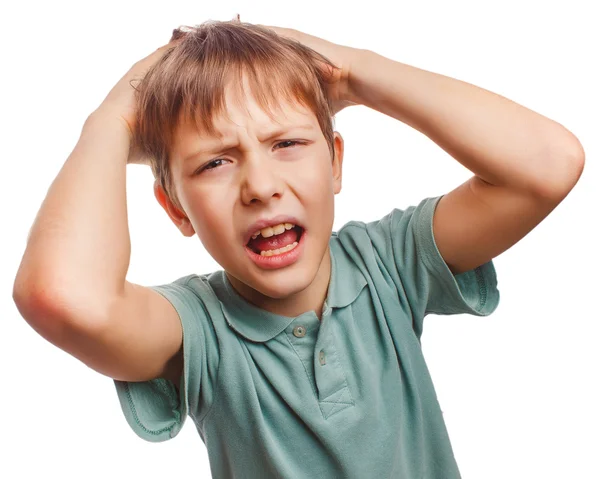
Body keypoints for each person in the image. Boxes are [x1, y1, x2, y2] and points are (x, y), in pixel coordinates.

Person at [12, 17, 584, 479]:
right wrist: (111, 119)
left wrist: (352, 72)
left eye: (286, 143)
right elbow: (62, 295)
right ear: (176, 208)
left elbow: (546, 165)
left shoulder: (387, 263)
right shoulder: (200, 332)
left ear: (335, 160)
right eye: (215, 161)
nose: (260, 187)